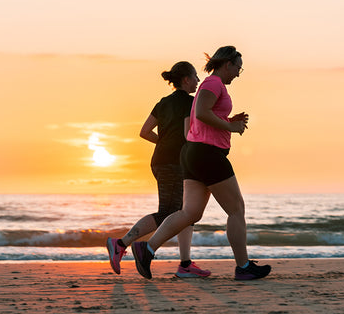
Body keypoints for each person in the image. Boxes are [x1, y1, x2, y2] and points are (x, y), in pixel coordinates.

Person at [131, 46, 271, 280]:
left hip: (194, 154)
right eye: (238, 67)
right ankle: (243, 267)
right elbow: (202, 113)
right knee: (236, 209)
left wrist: (227, 119)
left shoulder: (209, 85)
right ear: (227, 64)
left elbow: (201, 118)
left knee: (190, 213)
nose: (238, 73)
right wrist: (230, 127)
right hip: (208, 154)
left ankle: (146, 249)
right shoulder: (213, 84)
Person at [106, 61, 211, 278]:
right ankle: (121, 243)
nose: (198, 81)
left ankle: (185, 264)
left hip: (161, 160)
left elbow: (145, 132)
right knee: (169, 212)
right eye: (194, 77)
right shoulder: (190, 103)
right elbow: (186, 135)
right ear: (185, 80)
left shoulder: (163, 103)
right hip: (174, 163)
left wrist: (163, 144)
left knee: (186, 212)